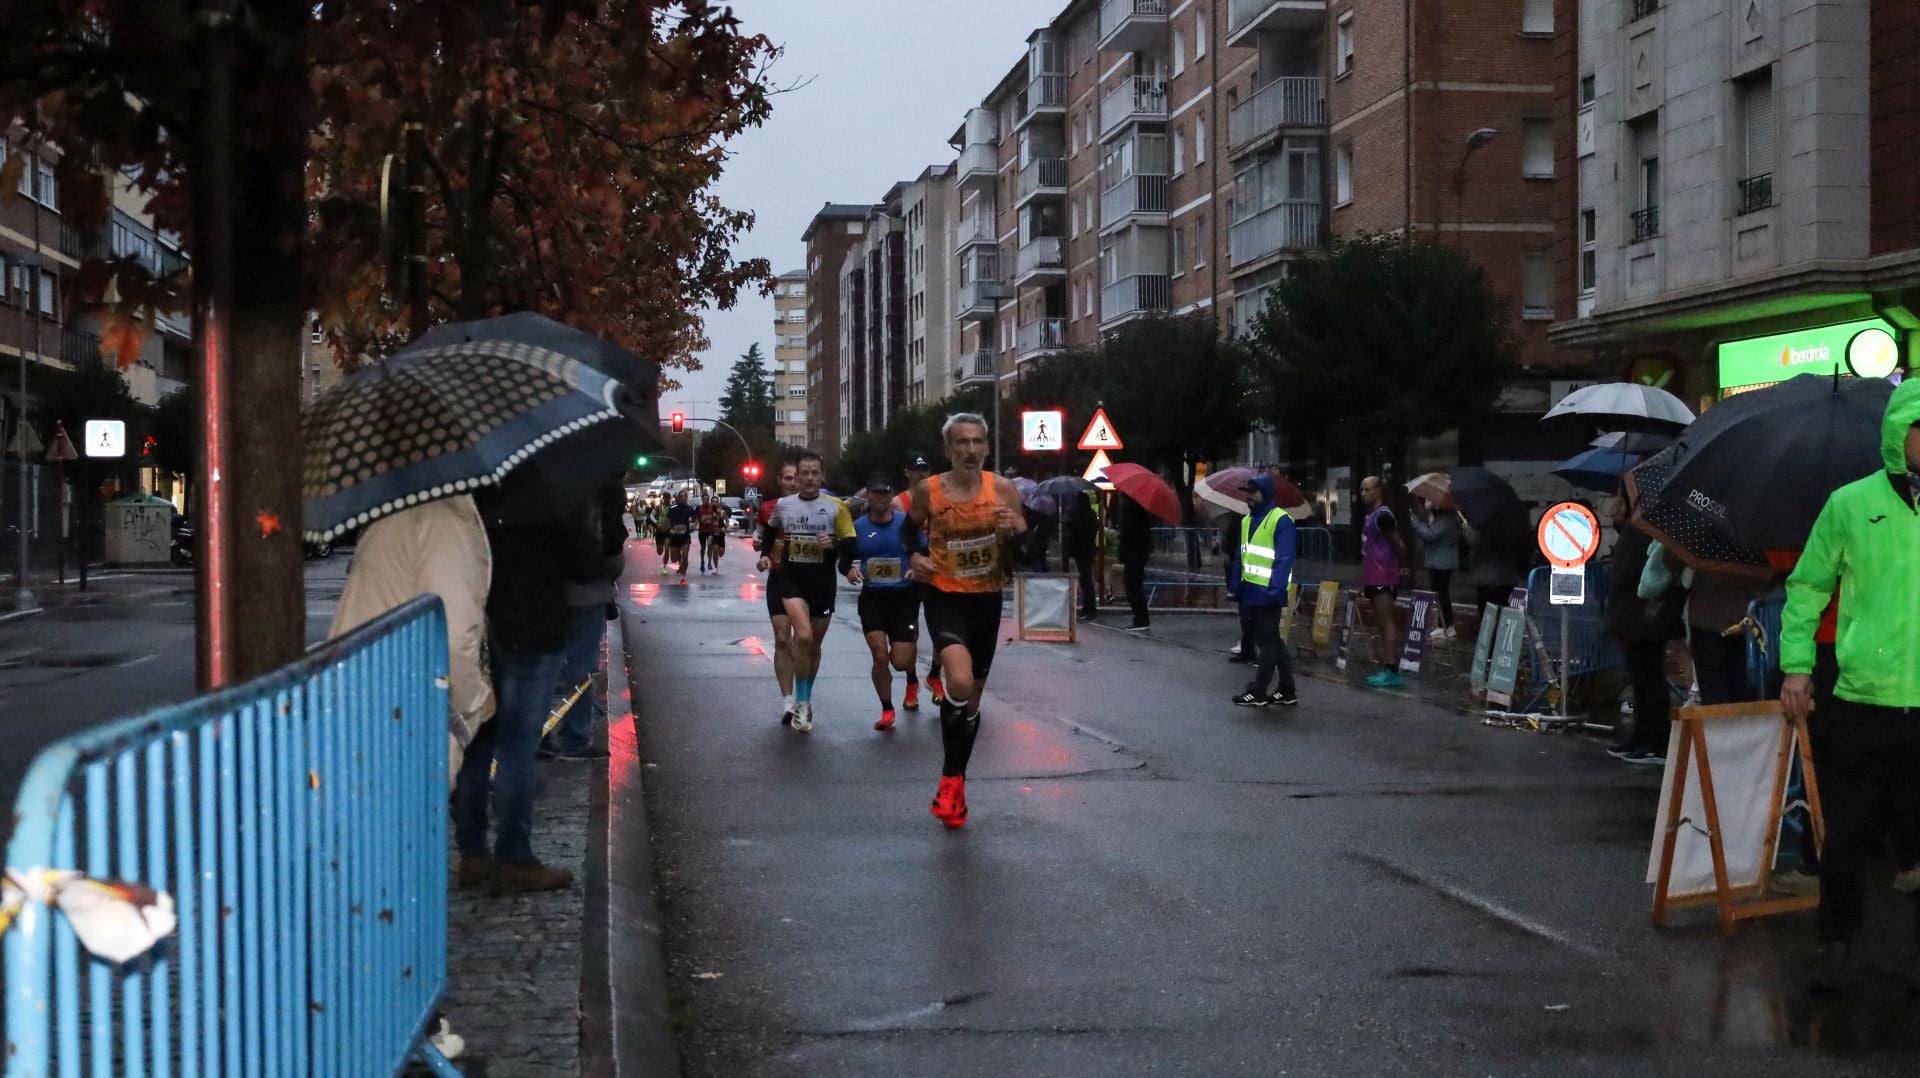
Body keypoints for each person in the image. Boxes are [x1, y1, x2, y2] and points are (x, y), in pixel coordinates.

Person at [1781, 378, 1920, 992]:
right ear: (1899, 434)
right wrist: (1796, 665)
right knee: (1849, 833)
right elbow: (1808, 586)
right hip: (1863, 697)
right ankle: (1836, 938)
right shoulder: (1850, 504)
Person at [453, 498, 601, 893]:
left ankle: (472, 852)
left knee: (479, 741)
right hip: (536, 628)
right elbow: (586, 564)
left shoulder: (475, 494)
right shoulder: (550, 492)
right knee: (518, 746)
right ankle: (513, 855)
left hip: (484, 627)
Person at [906, 413, 1026, 828]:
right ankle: (952, 779)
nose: (970, 451)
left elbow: (1024, 548)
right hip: (943, 596)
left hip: (986, 601)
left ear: (987, 447)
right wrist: (916, 556)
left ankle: (953, 780)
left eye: (977, 442)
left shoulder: (1003, 489)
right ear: (948, 450)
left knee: (971, 703)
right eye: (962, 443)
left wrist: (1015, 531)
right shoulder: (930, 490)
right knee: (957, 679)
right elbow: (909, 533)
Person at [328, 494, 493, 790]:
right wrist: (471, 704)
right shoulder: (444, 521)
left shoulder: (396, 512)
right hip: (410, 715)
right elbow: (455, 637)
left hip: (367, 698)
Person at [757, 451, 856, 733]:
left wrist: (833, 545)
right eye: (805, 473)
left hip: (822, 582)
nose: (810, 478)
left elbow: (851, 544)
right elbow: (769, 531)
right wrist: (766, 555)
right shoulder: (785, 506)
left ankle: (806, 697)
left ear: (821, 476)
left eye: (815, 473)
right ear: (797, 478)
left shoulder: (836, 506)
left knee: (813, 646)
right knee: (802, 635)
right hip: (791, 579)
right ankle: (799, 702)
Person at [540, 482, 626, 760]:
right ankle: (574, 738)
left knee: (547, 665)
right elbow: (613, 551)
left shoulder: (544, 491)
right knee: (581, 667)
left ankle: (538, 735)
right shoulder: (600, 492)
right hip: (589, 593)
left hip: (549, 593)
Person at [1604, 493, 1680, 766]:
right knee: (1640, 673)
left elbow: (1641, 562)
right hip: (1635, 610)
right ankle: (1642, 736)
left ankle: (1654, 740)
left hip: (1645, 611)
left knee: (1648, 674)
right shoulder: (1641, 515)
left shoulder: (1653, 516)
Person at [842, 473, 921, 731]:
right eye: (874, 493)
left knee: (899, 660)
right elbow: (844, 560)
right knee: (879, 655)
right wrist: (850, 571)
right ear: (868, 496)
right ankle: (887, 709)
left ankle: (911, 679)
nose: (879, 498)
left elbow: (925, 551)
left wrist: (916, 568)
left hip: (903, 598)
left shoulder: (906, 523)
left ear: (891, 495)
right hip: (873, 598)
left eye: (884, 493)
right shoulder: (859, 527)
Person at [1231, 474, 1300, 707]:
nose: (1248, 496)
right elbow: (1242, 556)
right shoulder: (1246, 521)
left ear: (1265, 494)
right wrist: (1235, 586)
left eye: (1253, 492)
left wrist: (1275, 591)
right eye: (1247, 492)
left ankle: (1259, 691)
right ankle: (1287, 690)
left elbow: (1283, 559)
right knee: (1272, 641)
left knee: (1266, 641)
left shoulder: (1281, 520)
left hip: (1268, 591)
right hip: (1250, 591)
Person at [757, 462, 803, 725]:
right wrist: (764, 558)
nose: (794, 482)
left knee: (804, 640)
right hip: (779, 578)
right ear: (780, 481)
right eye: (788, 478)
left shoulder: (816, 508)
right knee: (783, 637)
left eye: (797, 477)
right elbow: (766, 540)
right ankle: (788, 701)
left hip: (806, 580)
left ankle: (803, 695)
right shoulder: (768, 509)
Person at [897, 455, 943, 705]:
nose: (921, 474)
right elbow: (897, 539)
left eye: (925, 469)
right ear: (907, 472)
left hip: (937, 573)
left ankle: (935, 675)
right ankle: (911, 682)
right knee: (911, 632)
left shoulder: (940, 499)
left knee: (942, 630)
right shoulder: (899, 502)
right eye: (916, 470)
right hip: (909, 575)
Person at [1357, 475, 1406, 689]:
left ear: (1378, 491)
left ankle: (1391, 669)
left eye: (1368, 490)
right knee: (1380, 622)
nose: (1363, 494)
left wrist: (1401, 567)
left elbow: (1398, 544)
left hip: (1383, 575)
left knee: (1387, 623)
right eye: (1361, 490)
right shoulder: (1371, 515)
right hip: (1372, 574)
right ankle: (1386, 664)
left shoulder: (1383, 515)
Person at [1411, 499, 1462, 640]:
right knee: (1440, 593)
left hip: (1442, 562)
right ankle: (1443, 625)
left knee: (1441, 593)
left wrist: (1416, 522)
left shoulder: (1445, 518)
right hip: (1439, 561)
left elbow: (1431, 534)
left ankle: (1447, 626)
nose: (1427, 502)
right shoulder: (1441, 516)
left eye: (1429, 499)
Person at [1116, 491, 1154, 631]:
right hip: (1139, 552)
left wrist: (1122, 549)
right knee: (1135, 585)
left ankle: (1140, 619)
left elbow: (1128, 533)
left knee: (1132, 586)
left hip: (1134, 553)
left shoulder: (1130, 510)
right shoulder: (1140, 509)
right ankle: (1141, 617)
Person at [1063, 486, 1100, 624]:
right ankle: (1088, 607)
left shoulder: (1078, 515)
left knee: (1085, 580)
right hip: (1088, 549)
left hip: (1081, 550)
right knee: (1086, 579)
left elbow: (1075, 531)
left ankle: (1089, 608)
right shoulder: (1090, 514)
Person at [663, 490, 696, 582]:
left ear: (687, 498)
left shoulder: (689, 508)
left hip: (685, 536)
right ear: (678, 498)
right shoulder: (673, 508)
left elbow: (695, 518)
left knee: (685, 555)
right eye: (681, 496)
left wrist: (693, 524)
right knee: (673, 559)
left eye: (685, 496)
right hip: (674, 537)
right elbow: (668, 522)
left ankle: (683, 577)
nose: (683, 498)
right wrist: (670, 529)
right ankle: (680, 561)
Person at [696, 494, 727, 573]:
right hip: (706, 532)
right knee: (706, 547)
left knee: (719, 552)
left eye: (717, 501)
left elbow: (725, 520)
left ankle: (711, 561)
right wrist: (694, 525)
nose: (715, 503)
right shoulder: (701, 508)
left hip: (716, 533)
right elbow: (697, 519)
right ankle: (706, 562)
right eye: (713, 501)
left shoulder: (719, 510)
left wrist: (724, 527)